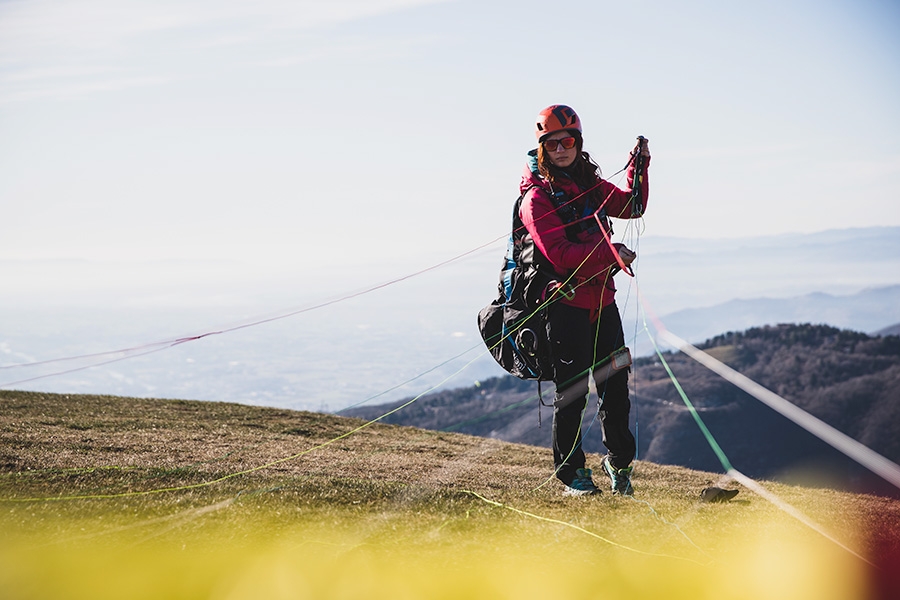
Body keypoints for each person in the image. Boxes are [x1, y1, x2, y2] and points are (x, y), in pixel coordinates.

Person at [519, 104, 650, 496]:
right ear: (542, 149)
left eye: (568, 140)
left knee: (616, 392)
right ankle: (572, 474)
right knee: (571, 396)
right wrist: (611, 253)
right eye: (552, 143)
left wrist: (638, 168)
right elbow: (559, 254)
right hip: (565, 311)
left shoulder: (590, 186)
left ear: (578, 143)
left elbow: (632, 206)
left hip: (603, 307)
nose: (561, 148)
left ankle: (620, 464)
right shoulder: (536, 200)